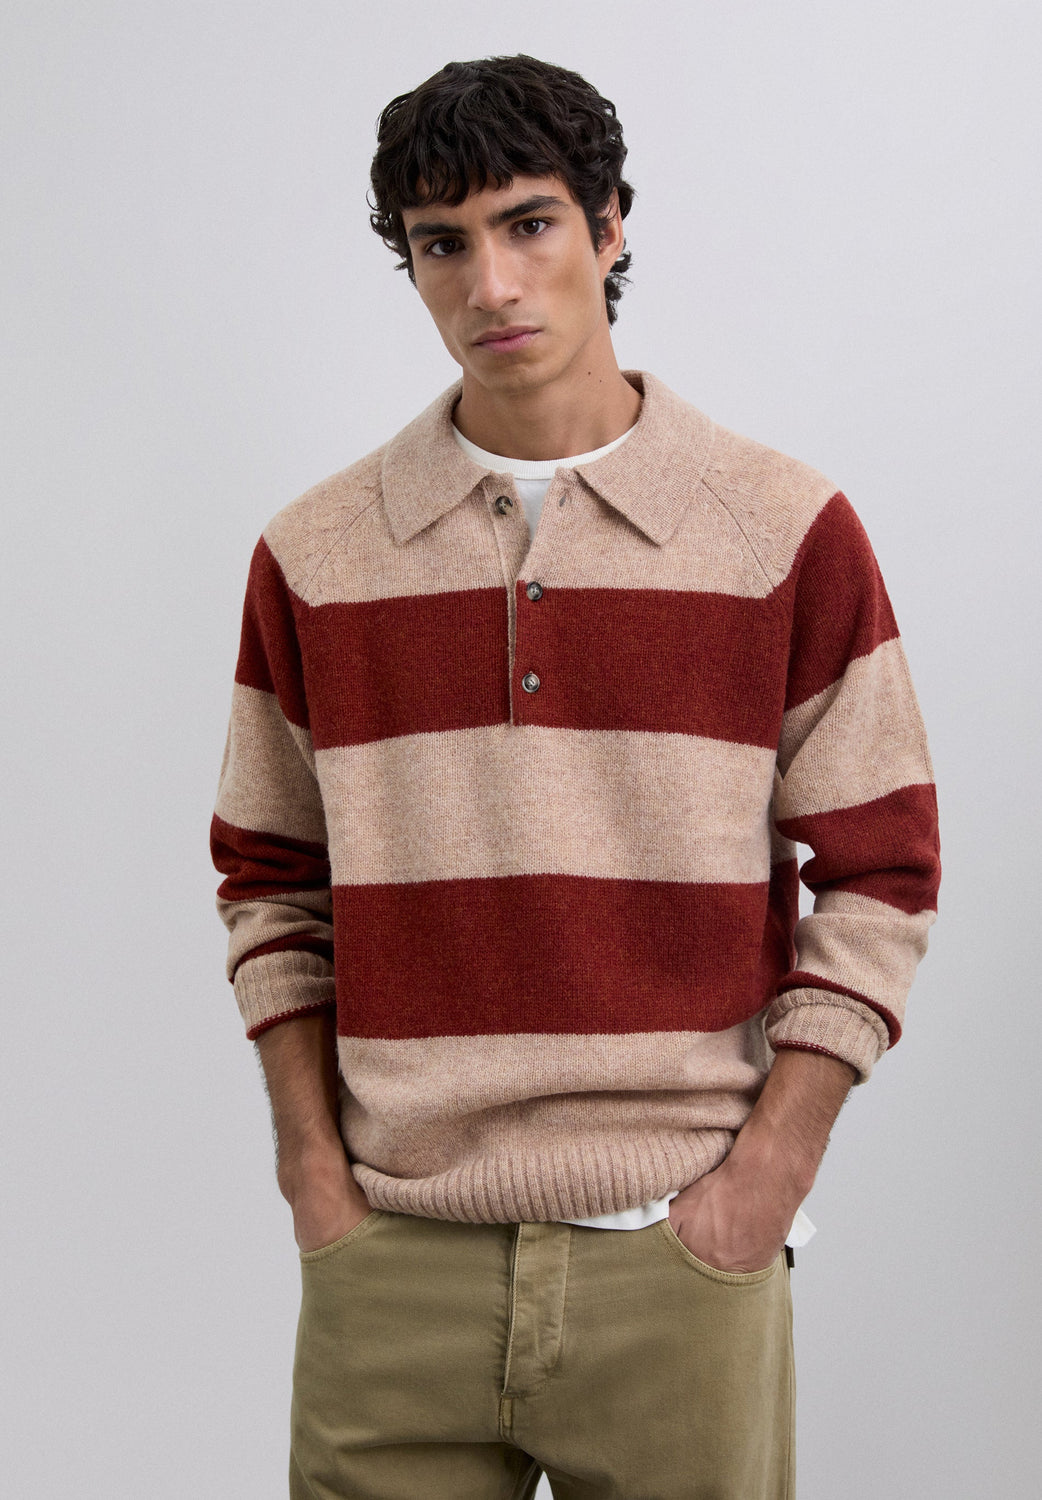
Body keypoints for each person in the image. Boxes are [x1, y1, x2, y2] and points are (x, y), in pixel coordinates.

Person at [210, 53, 940, 1500]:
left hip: (680, 1254)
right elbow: (271, 881)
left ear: (610, 226)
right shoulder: (316, 556)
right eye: (441, 244)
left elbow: (883, 873)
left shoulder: (782, 531)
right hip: (392, 1268)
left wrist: (766, 1181)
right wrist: (312, 1176)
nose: (490, 284)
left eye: (529, 223)